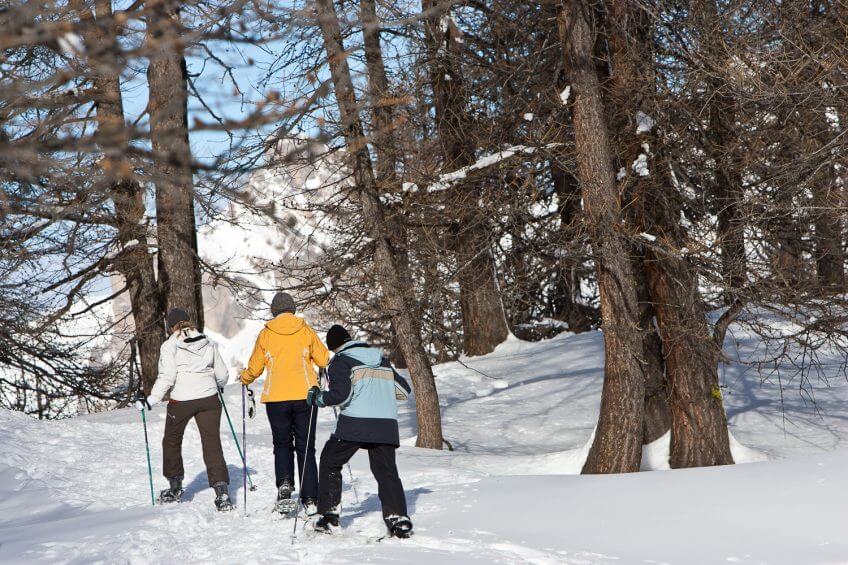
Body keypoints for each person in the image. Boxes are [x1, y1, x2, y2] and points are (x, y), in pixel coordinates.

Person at [307, 324, 414, 538]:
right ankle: (398, 519)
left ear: (333, 347)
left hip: (355, 424)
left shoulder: (341, 361)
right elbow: (403, 391)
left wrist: (319, 398)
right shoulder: (381, 359)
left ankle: (329, 516)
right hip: (385, 425)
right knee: (387, 472)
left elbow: (341, 396)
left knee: (330, 460)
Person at [239, 292, 329, 515]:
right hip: (305, 395)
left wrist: (245, 378)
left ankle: (285, 484)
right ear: (293, 309)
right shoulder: (305, 329)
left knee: (282, 444)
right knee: (306, 445)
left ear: (273, 311)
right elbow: (323, 359)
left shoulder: (266, 334)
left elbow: (255, 368)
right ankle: (310, 497)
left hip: (277, 398)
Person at [136, 307, 233, 512]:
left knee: (171, 440)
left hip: (181, 401)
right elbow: (223, 375)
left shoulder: (170, 345)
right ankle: (221, 491)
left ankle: (175, 487)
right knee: (212, 443)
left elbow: (168, 377)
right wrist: (216, 384)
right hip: (209, 399)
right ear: (189, 322)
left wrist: (152, 399)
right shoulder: (207, 341)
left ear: (171, 326)